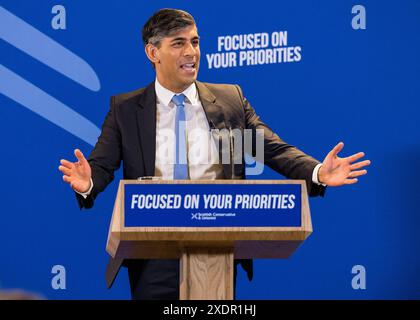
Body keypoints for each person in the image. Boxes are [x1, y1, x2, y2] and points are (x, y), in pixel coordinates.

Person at [58, 8, 370, 300]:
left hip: (218, 245)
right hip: (151, 252)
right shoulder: (126, 109)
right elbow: (100, 167)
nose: (191, 52)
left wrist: (317, 172)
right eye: (178, 43)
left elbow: (271, 148)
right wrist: (87, 183)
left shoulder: (230, 100)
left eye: (194, 42)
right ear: (153, 53)